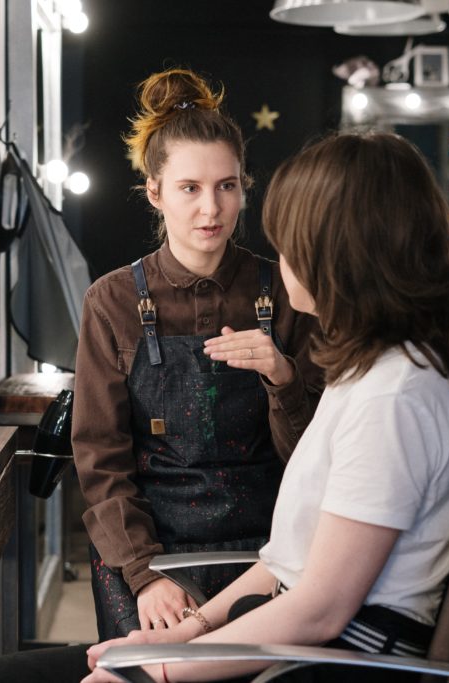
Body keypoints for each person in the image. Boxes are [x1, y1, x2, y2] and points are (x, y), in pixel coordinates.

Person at [0, 131, 449, 683]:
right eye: (190, 187)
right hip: (280, 621)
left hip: (325, 658)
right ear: (156, 193)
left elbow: (320, 609)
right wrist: (188, 632)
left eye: (290, 245)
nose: (278, 262)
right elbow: (288, 561)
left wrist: (155, 672)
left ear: (337, 257)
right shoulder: (368, 376)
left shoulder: (393, 399)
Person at [72, 68, 324, 640]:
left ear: (244, 187)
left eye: (227, 186)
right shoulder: (110, 301)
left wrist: (283, 377)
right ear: (154, 192)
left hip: (271, 549)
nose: (211, 208)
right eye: (190, 188)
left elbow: (317, 456)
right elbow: (99, 456)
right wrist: (142, 571)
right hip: (148, 550)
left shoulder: (288, 291)